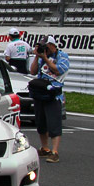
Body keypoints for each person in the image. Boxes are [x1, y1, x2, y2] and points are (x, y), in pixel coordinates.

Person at [30, 36, 70, 164]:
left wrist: (46, 58)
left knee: (54, 123)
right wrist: (37, 56)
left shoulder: (62, 56)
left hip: (53, 94)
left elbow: (58, 70)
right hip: (40, 92)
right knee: (41, 122)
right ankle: (45, 148)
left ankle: (55, 151)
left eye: (45, 46)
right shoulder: (41, 57)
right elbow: (32, 71)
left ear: (52, 45)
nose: (44, 49)